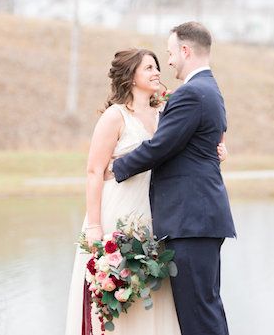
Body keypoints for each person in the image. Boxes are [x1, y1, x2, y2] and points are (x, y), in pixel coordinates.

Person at [64, 47, 228, 335]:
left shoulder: (165, 112)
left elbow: (187, 140)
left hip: (157, 216)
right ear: (130, 76)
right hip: (119, 209)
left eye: (157, 66)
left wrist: (216, 147)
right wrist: (94, 225)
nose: (157, 72)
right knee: (121, 291)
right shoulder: (114, 117)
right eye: (149, 68)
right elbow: (94, 172)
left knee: (156, 293)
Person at [111, 22, 236, 335]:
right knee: (205, 309)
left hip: (191, 219)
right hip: (199, 219)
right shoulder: (210, 89)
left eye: (169, 53)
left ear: (185, 51)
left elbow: (160, 146)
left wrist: (117, 168)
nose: (167, 62)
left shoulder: (193, 93)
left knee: (199, 316)